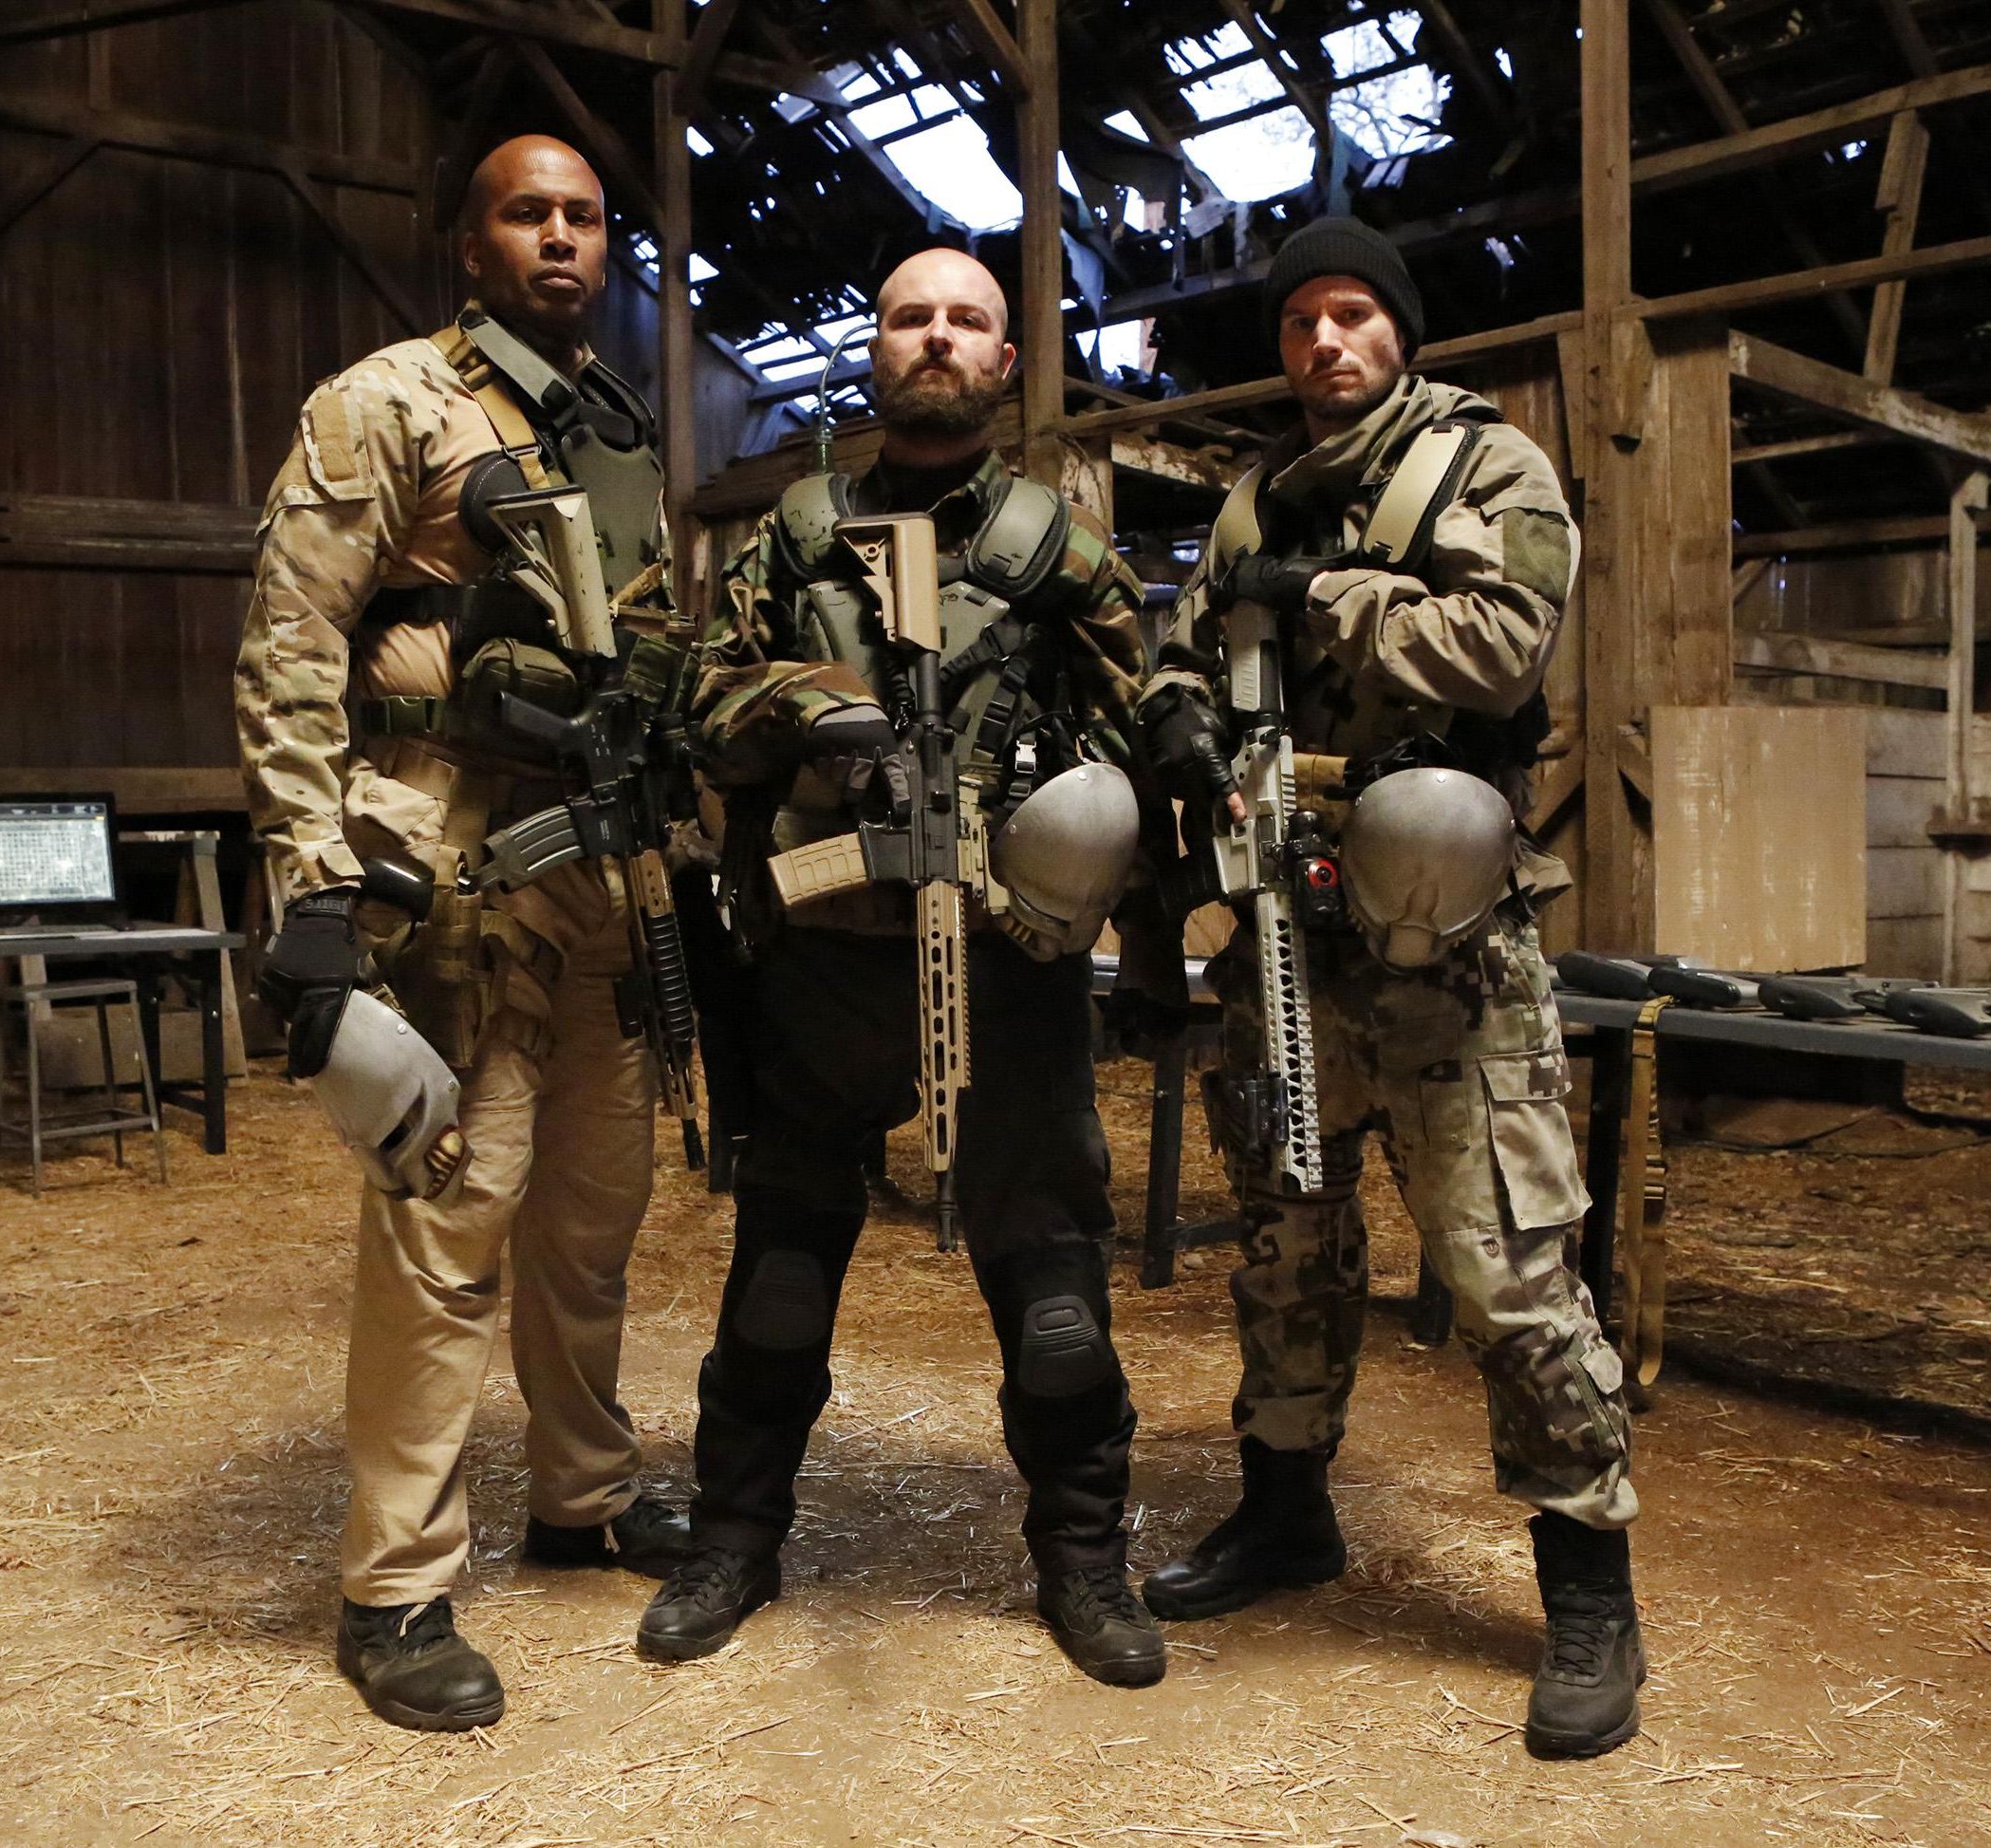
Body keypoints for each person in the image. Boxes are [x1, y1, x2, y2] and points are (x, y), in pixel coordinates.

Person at [1132, 217, 1646, 1758]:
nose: (1325, 343)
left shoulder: (1486, 468)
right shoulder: (1254, 498)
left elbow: (1500, 649)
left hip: (1448, 943)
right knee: (1286, 1245)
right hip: (1285, 929)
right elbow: (1186, 643)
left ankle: (1590, 1588)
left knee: (1502, 1266)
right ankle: (1287, 1511)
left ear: (1400, 333)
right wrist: (1174, 709)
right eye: (1301, 321)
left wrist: (1323, 598)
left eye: (1354, 314)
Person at [638, 247, 1167, 1689]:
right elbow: (698, 698)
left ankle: (1083, 1559)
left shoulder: (1062, 549)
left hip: (1007, 966)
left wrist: (1142, 909)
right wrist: (813, 706)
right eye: (909, 317)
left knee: (1054, 1299)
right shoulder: (795, 536)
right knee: (777, 1285)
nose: (937, 337)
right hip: (815, 963)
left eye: (966, 320)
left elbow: (1148, 724)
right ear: (874, 350)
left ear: (1006, 360)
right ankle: (734, 1541)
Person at [236, 135, 689, 1733]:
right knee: (449, 1219)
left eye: (584, 217)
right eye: (527, 213)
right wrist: (309, 881)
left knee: (592, 1215)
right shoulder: (385, 403)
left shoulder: (616, 428)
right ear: (471, 243)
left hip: (604, 873)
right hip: (453, 863)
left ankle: (585, 1495)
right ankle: (397, 1585)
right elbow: (291, 642)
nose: (561, 237)